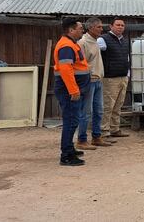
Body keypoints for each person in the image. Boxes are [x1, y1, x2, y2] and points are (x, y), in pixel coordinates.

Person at [54, 18, 90, 166]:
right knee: (71, 121)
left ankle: (69, 149)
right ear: (71, 30)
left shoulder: (70, 44)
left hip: (72, 89)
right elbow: (66, 70)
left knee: (73, 120)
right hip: (68, 90)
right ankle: (67, 155)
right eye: (80, 28)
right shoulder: (66, 46)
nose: (83, 30)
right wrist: (73, 90)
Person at [77, 17, 112, 149]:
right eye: (99, 27)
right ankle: (81, 140)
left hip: (98, 80)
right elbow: (80, 64)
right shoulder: (83, 43)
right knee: (86, 112)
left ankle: (96, 137)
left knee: (99, 111)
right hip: (88, 81)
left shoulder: (96, 42)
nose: (101, 29)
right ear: (90, 28)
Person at [98, 18, 131, 139]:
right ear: (111, 26)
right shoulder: (103, 40)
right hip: (110, 79)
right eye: (118, 25)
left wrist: (128, 74)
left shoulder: (125, 41)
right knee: (108, 106)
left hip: (123, 77)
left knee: (118, 105)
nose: (120, 27)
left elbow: (127, 58)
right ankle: (104, 131)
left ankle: (115, 129)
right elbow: (94, 54)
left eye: (122, 25)